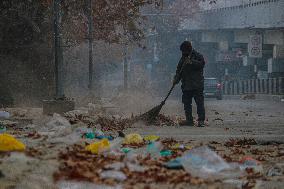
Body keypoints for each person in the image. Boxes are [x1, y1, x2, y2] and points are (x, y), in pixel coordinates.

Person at [173, 41, 206, 127]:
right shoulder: (183, 58)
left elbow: (201, 64)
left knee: (199, 103)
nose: (183, 53)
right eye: (182, 52)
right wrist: (176, 79)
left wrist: (191, 62)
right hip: (186, 86)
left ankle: (201, 120)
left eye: (184, 51)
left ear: (189, 49)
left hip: (197, 85)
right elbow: (179, 70)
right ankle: (189, 120)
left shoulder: (198, 56)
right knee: (186, 104)